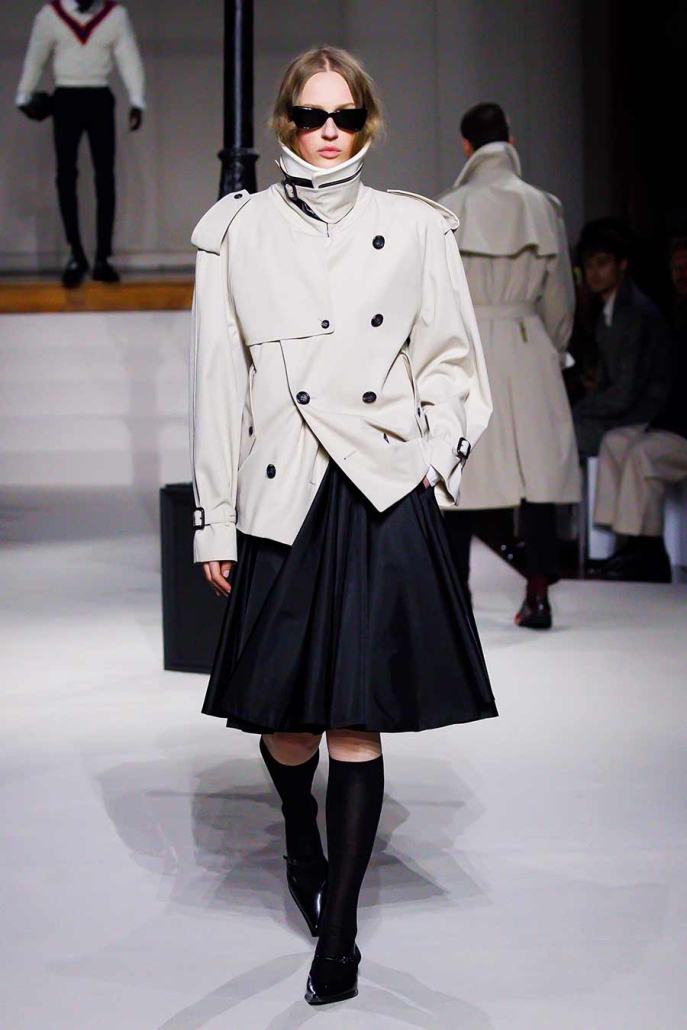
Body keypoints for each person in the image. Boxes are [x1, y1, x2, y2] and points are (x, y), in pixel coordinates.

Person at [190, 46, 497, 1007]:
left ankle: (340, 933)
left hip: (378, 488)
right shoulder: (236, 232)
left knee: (357, 719)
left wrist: (431, 456)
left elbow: (452, 360)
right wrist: (214, 520)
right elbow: (217, 384)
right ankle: (300, 835)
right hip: (282, 490)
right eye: (311, 115)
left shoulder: (414, 228)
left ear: (368, 123)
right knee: (287, 726)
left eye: (346, 116)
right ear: (284, 122)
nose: (329, 132)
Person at [436, 102, 580, 630]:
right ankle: (538, 592)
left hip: (468, 346)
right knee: (536, 473)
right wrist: (552, 346)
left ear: (466, 146)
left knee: (462, 467)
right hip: (527, 341)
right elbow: (560, 297)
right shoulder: (542, 206)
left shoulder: (449, 209)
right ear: (510, 139)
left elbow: (436, 299)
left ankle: (456, 597)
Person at [16, 0, 145, 287]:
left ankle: (103, 257)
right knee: (65, 177)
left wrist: (137, 99)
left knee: (105, 179)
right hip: (66, 98)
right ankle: (75, 254)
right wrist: (24, 94)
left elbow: (128, 57)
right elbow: (36, 55)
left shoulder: (114, 15)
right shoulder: (52, 14)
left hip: (99, 97)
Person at [592, 237, 687, 582]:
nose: (681, 273)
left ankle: (649, 551)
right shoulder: (676, 312)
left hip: (679, 428)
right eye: (676, 267)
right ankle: (623, 545)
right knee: (615, 442)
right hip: (671, 422)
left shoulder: (652, 314)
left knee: (642, 454)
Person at [573, 219, 671, 458]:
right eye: (589, 265)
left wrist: (576, 409)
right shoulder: (609, 311)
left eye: (602, 263)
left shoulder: (635, 313)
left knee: (565, 433)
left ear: (622, 264)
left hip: (645, 416)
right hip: (625, 411)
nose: (594, 273)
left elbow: (624, 394)